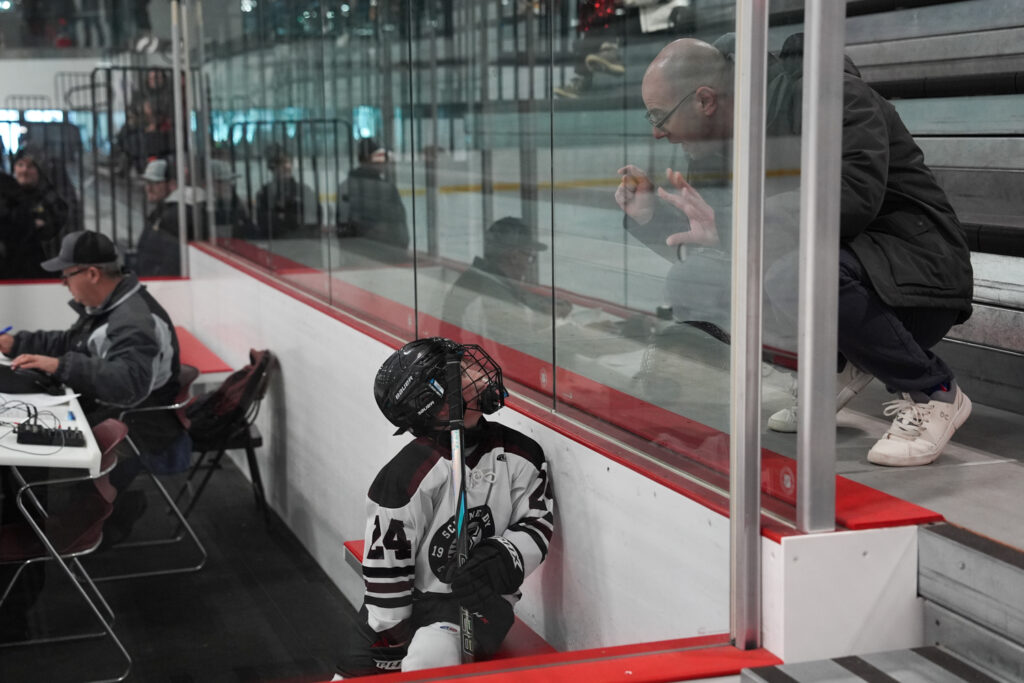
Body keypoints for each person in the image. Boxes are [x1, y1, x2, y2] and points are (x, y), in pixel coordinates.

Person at [616, 36, 973, 467]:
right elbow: (714, 234)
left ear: (705, 100)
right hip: (847, 270)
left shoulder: (831, 95)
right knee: (693, 282)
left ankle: (935, 391)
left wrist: (732, 225)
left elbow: (853, 197)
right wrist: (651, 216)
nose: (657, 132)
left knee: (792, 275)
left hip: (918, 275)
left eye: (659, 116)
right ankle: (838, 366)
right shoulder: (718, 144)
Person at [334, 338, 554, 676]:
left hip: (479, 604)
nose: (477, 368)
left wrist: (505, 555)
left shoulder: (522, 454)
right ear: (436, 403)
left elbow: (537, 523)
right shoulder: (405, 477)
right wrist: (390, 633)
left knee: (430, 657)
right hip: (412, 602)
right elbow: (387, 573)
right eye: (461, 368)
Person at [0, 230, 184, 487]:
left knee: (33, 446)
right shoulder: (107, 305)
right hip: (114, 408)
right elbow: (72, 341)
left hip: (138, 423)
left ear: (92, 274)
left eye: (66, 275)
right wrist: (15, 343)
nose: (63, 283)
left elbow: (129, 384)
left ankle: (103, 516)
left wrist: (59, 366)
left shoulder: (134, 320)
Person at [441, 217, 571, 344]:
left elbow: (519, 296)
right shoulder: (493, 294)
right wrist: (570, 337)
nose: (530, 265)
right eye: (530, 257)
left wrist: (544, 306)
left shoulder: (484, 276)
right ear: (513, 256)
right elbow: (524, 351)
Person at [336, 138, 410, 258]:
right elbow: (398, 226)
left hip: (355, 254)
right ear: (367, 159)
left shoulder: (345, 185)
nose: (384, 162)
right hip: (384, 254)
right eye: (380, 156)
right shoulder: (386, 188)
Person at [136, 156, 206, 276]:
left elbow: (170, 262)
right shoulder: (163, 211)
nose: (148, 188)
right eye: (147, 183)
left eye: (155, 183)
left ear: (172, 185)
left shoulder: (175, 216)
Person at [11, 145, 76, 259]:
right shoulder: (6, 196)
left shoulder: (52, 198)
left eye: (30, 166)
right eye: (20, 165)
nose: (24, 170)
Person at [254, 143, 321, 238]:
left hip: (303, 243)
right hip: (276, 244)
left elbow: (314, 220)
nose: (286, 166)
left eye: (288, 162)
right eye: (281, 163)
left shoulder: (305, 191)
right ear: (273, 168)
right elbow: (264, 224)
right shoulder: (264, 194)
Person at [210, 159, 256, 239]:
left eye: (230, 181)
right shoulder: (204, 205)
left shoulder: (237, 202)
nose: (229, 185)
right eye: (223, 181)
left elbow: (250, 231)